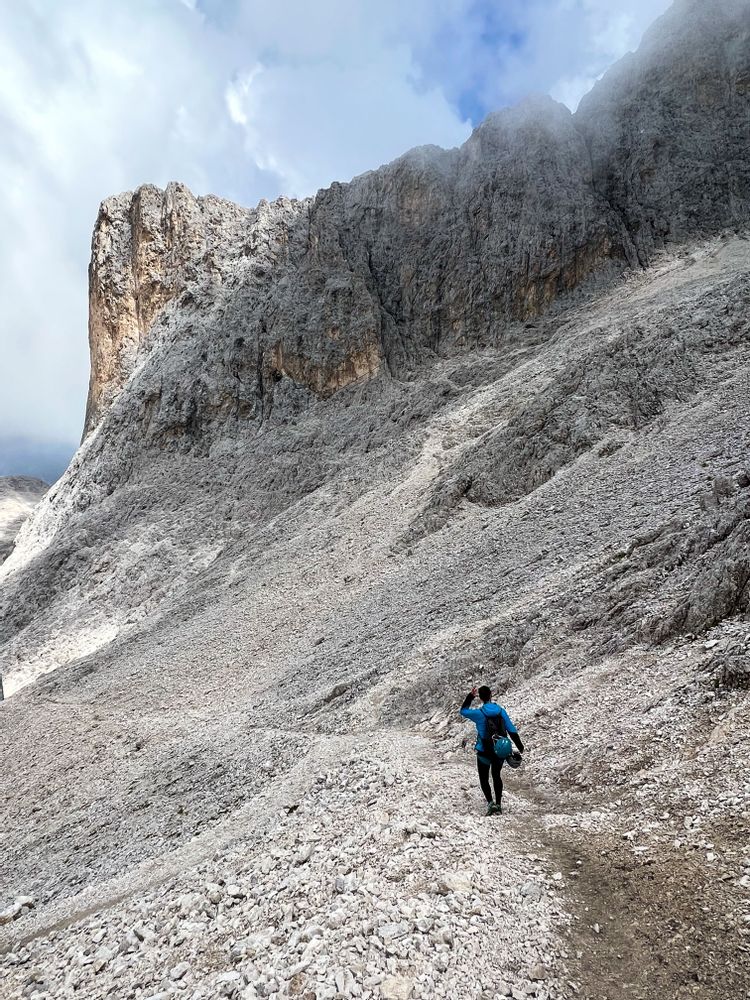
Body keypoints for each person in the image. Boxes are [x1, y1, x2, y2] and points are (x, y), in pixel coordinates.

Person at [460, 685, 524, 815]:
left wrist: (470, 696)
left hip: (484, 751)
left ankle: (490, 803)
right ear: (491, 695)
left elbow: (463, 711)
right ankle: (499, 804)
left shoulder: (478, 714)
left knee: (484, 779)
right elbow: (511, 730)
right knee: (496, 776)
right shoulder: (501, 711)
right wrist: (520, 746)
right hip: (499, 751)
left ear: (481, 698)